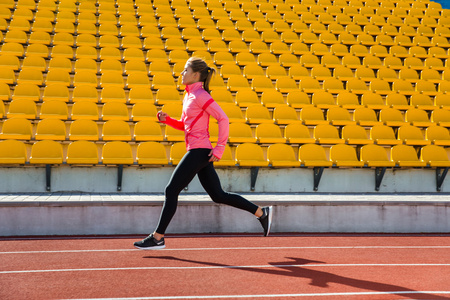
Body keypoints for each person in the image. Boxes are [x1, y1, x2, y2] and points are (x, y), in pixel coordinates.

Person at [134, 57, 273, 250]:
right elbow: (185, 125)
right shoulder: (189, 96)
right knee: (218, 195)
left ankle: (158, 237)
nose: (181, 73)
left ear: (195, 74)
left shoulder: (201, 95)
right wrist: (168, 121)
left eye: (185, 70)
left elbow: (223, 118)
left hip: (201, 150)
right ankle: (261, 213)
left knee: (171, 189)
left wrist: (219, 148)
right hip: (199, 150)